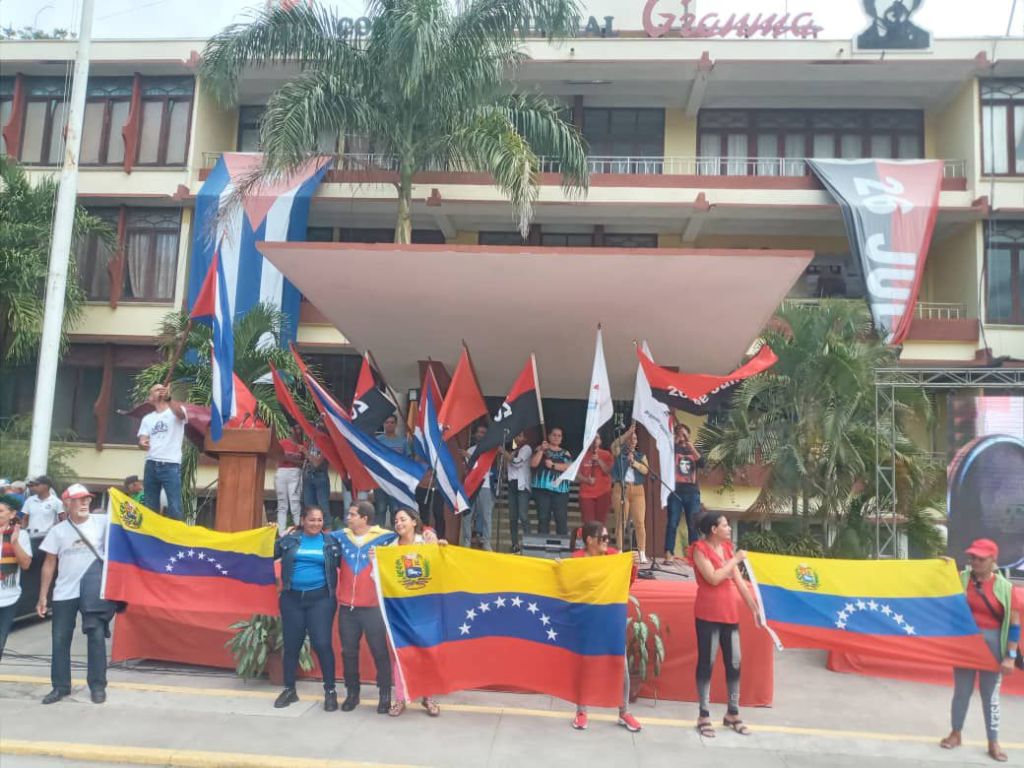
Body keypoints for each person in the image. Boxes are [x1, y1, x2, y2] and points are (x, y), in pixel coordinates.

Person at [940, 538, 1021, 762]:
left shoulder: (1006, 588)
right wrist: (942, 567)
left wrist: (1010, 657)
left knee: (990, 696)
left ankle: (993, 741)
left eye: (981, 558)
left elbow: (1014, 625)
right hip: (966, 645)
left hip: (993, 646)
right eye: (972, 557)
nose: (975, 561)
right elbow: (938, 586)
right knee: (961, 692)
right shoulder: (962, 579)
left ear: (993, 560)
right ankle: (955, 733)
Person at [37, 484, 111, 705]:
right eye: (79, 499)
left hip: (94, 591)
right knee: (60, 639)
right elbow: (49, 563)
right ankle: (60, 687)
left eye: (87, 498)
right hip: (64, 592)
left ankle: (97, 686)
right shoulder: (57, 531)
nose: (85, 502)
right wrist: (43, 596)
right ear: (67, 503)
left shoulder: (103, 522)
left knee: (96, 636)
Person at [691, 513, 762, 738]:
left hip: (730, 613)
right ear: (714, 529)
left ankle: (733, 711)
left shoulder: (728, 549)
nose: (729, 528)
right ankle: (704, 714)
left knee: (735, 663)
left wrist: (754, 608)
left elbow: (739, 582)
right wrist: (736, 559)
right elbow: (713, 578)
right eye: (725, 525)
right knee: (707, 663)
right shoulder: (699, 549)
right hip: (708, 614)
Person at [570, 520, 642, 733]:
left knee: (621, 665)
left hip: (611, 617)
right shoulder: (576, 559)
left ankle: (624, 712)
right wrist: (558, 569)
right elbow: (568, 585)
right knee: (585, 665)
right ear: (589, 540)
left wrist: (632, 565)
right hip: (586, 618)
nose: (606, 542)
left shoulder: (614, 556)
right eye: (602, 538)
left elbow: (625, 584)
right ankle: (581, 711)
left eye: (607, 538)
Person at [273, 505, 342, 711]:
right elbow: (266, 553)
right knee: (291, 645)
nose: (316, 524)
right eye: (312, 519)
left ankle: (330, 691)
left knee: (322, 643)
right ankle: (289, 690)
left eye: (319, 520)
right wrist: (272, 535)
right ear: (303, 520)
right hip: (291, 599)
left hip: (321, 600)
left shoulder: (331, 542)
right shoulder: (290, 540)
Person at [332, 501, 396, 714]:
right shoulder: (341, 536)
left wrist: (431, 534)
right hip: (347, 608)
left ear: (364, 518)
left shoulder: (386, 538)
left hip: (373, 608)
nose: (347, 518)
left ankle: (385, 695)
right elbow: (315, 534)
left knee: (380, 652)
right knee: (348, 652)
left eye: (352, 515)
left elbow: (412, 539)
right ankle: (352, 694)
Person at [388, 507, 443, 717]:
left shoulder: (426, 542)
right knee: (401, 654)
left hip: (425, 609)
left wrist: (441, 548)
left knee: (426, 653)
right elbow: (379, 578)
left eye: (403, 519)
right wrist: (376, 560)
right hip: (401, 610)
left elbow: (441, 567)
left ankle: (428, 697)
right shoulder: (390, 549)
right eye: (396, 521)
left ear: (414, 522)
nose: (399, 523)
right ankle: (400, 698)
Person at [137, 383, 187, 520]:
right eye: (156, 390)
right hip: (151, 463)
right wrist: (142, 443)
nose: (160, 391)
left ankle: (176, 532)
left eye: (162, 388)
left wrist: (169, 399)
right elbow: (142, 440)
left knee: (174, 505)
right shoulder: (147, 418)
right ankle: (152, 532)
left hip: (170, 464)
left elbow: (181, 415)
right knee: (150, 504)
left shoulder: (175, 411)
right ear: (150, 398)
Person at [610, 423, 650, 563]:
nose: (633, 440)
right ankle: (619, 550)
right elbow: (614, 445)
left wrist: (634, 463)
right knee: (621, 521)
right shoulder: (619, 453)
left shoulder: (640, 455)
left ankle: (642, 552)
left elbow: (646, 470)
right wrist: (628, 432)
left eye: (635, 438)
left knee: (639, 522)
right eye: (631, 438)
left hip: (638, 490)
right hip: (621, 488)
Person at [0, 494, 32, 660]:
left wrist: (14, 543)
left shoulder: (21, 535)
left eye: (1, 511)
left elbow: (26, 564)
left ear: (12, 514)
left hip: (8, 598)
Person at [667, 423, 704, 558]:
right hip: (675, 492)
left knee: (693, 525)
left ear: (689, 434)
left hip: (692, 493)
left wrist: (691, 447)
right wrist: (676, 442)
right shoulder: (673, 449)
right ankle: (668, 553)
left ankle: (694, 556)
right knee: (672, 523)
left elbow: (702, 463)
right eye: (679, 433)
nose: (681, 435)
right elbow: (667, 457)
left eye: (684, 433)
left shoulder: (695, 449)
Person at [531, 427, 573, 535]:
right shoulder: (540, 448)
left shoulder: (565, 452)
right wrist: (541, 450)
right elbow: (533, 464)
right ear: (549, 436)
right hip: (542, 489)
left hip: (560, 490)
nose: (556, 437)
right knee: (543, 517)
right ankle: (542, 542)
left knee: (561, 518)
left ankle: (562, 543)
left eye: (559, 436)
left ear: (562, 438)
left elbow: (569, 468)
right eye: (554, 435)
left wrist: (553, 465)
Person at [462, 423, 495, 550]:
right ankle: (466, 541)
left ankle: (486, 542)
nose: (481, 435)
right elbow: (468, 469)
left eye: (484, 433)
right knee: (467, 515)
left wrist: (468, 456)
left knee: (486, 515)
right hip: (470, 486)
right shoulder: (470, 449)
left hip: (484, 485)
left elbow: (481, 465)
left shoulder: (489, 449)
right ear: (475, 434)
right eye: (479, 432)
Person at [373, 415, 407, 528]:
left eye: (392, 422)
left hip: (396, 482)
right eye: (387, 422)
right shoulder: (377, 441)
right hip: (380, 481)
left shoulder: (403, 441)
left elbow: (407, 461)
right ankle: (380, 535)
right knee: (380, 509)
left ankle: (396, 535)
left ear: (396, 424)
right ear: (383, 424)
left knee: (395, 510)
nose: (389, 425)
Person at [503, 432, 533, 553]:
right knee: (512, 517)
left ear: (525, 438)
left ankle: (529, 543)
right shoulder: (513, 451)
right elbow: (508, 468)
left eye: (520, 435)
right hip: (512, 485)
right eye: (516, 435)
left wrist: (503, 452)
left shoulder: (526, 448)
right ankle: (514, 544)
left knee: (523, 515)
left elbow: (517, 463)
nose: (517, 438)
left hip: (522, 485)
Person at [276, 424, 305, 536]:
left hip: (295, 473)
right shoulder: (282, 443)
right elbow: (278, 457)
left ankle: (298, 531)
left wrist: (288, 459)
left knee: (295, 503)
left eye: (300, 429)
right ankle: (281, 533)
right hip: (282, 472)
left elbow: (304, 463)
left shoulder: (302, 446)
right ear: (291, 429)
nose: (298, 431)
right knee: (282, 504)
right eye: (296, 428)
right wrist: (291, 460)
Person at [578, 435, 613, 527]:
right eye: (592, 437)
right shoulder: (582, 455)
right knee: (588, 523)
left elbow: (608, 471)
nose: (594, 440)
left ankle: (600, 537)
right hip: (586, 494)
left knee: (601, 523)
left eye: (597, 437)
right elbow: (577, 474)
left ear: (600, 441)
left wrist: (598, 460)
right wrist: (586, 480)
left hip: (603, 492)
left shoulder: (606, 454)